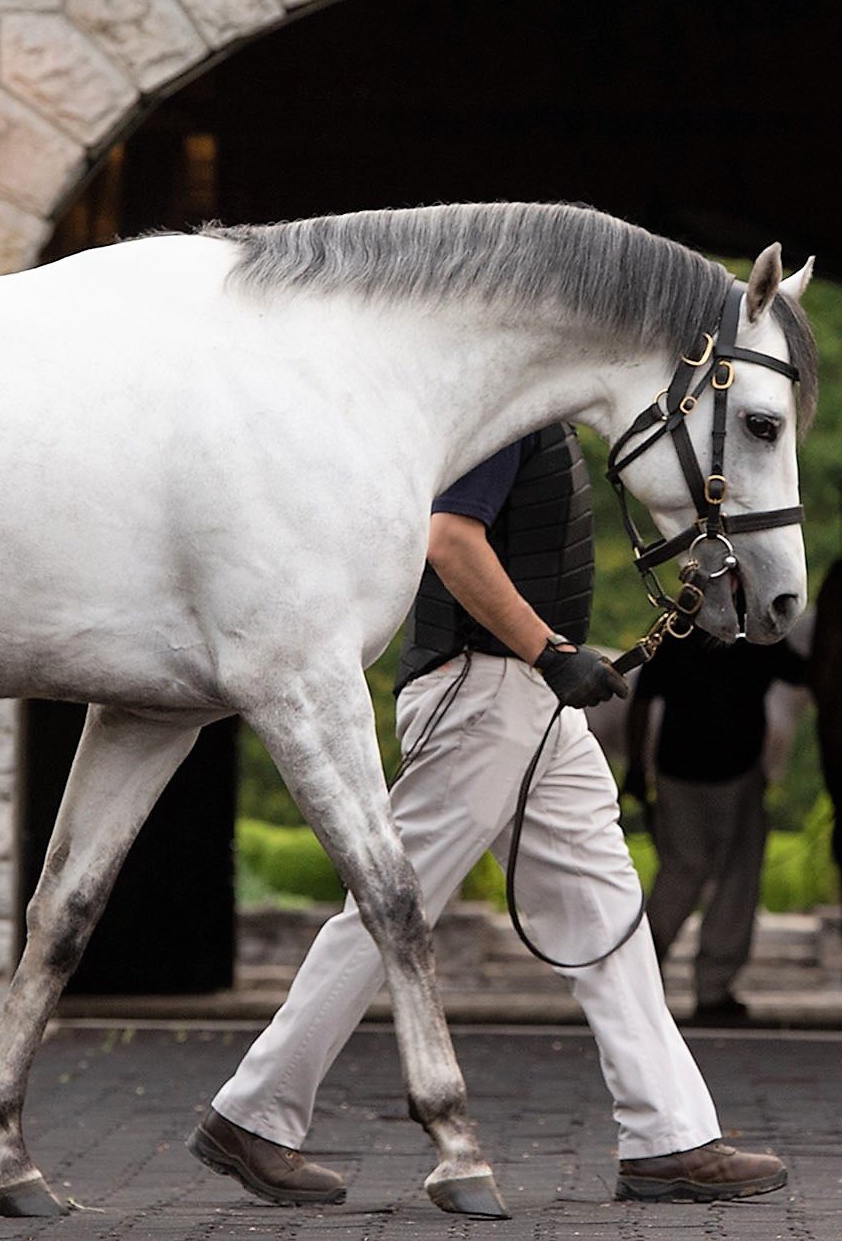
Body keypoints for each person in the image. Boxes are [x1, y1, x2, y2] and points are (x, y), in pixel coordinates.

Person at [193, 424, 789, 1208]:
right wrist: (550, 651)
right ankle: (256, 1112)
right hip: (481, 691)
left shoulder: (548, 423)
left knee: (605, 905)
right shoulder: (504, 421)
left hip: (528, 696)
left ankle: (669, 1137)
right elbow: (448, 540)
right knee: (388, 908)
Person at [623, 629, 807, 1023]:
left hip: (679, 769)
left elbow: (642, 699)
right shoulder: (757, 637)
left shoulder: (679, 631)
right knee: (733, 878)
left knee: (681, 873)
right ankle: (711, 987)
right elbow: (803, 673)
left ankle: (640, 979)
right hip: (731, 769)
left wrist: (638, 767)